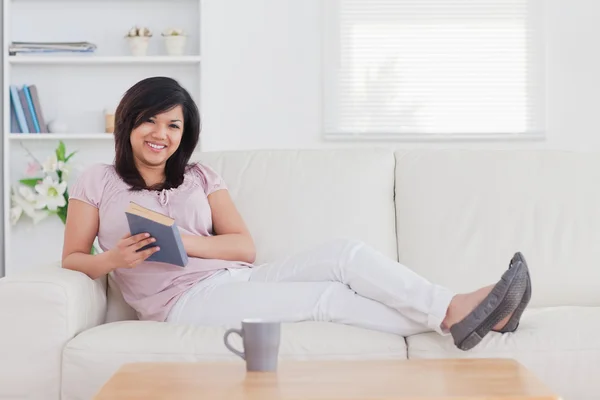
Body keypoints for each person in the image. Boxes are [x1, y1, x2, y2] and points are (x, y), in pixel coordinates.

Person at [62, 77, 531, 351]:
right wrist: (112, 262)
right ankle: (464, 314)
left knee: (345, 254)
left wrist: (185, 243)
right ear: (128, 121)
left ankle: (457, 312)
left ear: (185, 134)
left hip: (237, 278)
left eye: (173, 124)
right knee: (325, 298)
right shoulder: (97, 179)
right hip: (181, 305)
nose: (160, 133)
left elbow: (242, 246)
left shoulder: (201, 176)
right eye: (150, 120)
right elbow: (73, 257)